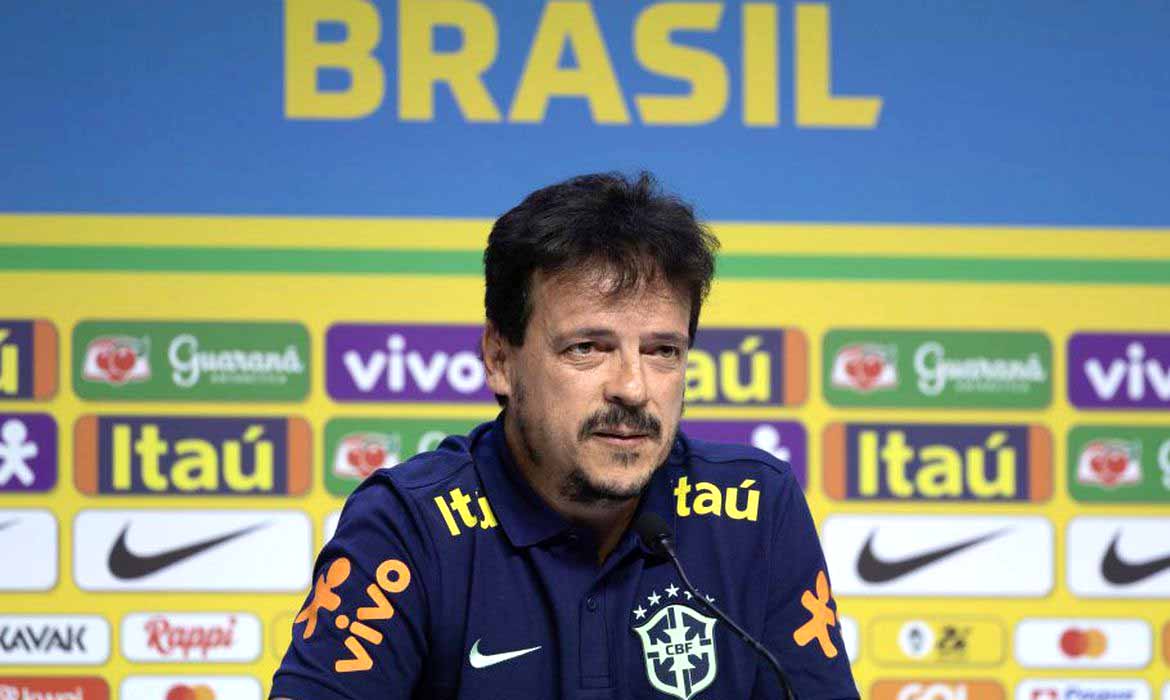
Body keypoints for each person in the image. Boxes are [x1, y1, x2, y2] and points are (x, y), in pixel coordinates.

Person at [270, 173, 858, 699]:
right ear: (500, 359)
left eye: (662, 351)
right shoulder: (408, 526)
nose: (632, 388)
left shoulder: (757, 510)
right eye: (587, 348)